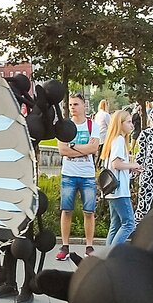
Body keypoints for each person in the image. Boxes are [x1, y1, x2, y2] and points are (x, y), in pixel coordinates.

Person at [56, 93, 101, 260]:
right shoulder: (64, 126)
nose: (72, 107)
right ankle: (65, 246)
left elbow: (93, 149)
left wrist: (73, 147)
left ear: (84, 106)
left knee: (89, 211)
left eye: (76, 104)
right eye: (70, 105)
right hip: (69, 174)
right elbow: (62, 150)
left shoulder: (92, 125)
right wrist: (83, 148)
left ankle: (89, 246)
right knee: (66, 210)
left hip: (87, 175)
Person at [101, 110, 141, 246]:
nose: (132, 125)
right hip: (120, 191)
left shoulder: (113, 140)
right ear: (120, 123)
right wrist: (133, 164)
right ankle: (113, 255)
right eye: (128, 122)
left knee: (115, 225)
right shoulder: (118, 140)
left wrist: (130, 169)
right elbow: (116, 164)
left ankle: (107, 257)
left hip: (112, 191)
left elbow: (115, 165)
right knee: (129, 224)